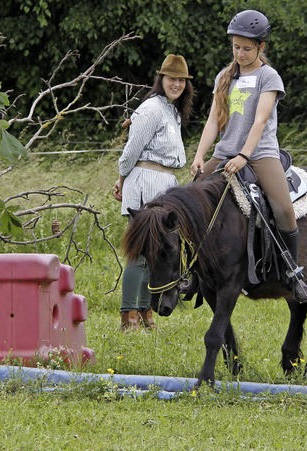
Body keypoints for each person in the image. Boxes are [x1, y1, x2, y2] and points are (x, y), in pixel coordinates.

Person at [190, 10, 307, 303]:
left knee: (283, 208)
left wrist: (245, 155)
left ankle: (292, 274)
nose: (240, 53)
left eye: (247, 48)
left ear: (261, 47)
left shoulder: (268, 77)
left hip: (260, 153)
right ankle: (196, 271)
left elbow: (260, 121)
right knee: (191, 200)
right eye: (236, 47)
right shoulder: (225, 76)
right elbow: (212, 121)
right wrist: (199, 155)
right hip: (224, 153)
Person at [114, 54, 194, 331]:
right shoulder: (151, 109)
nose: (177, 84)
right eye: (172, 79)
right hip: (145, 179)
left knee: (159, 253)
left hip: (165, 183)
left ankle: (147, 312)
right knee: (141, 254)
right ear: (161, 79)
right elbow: (131, 150)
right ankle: (129, 314)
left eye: (182, 80)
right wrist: (122, 180)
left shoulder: (171, 110)